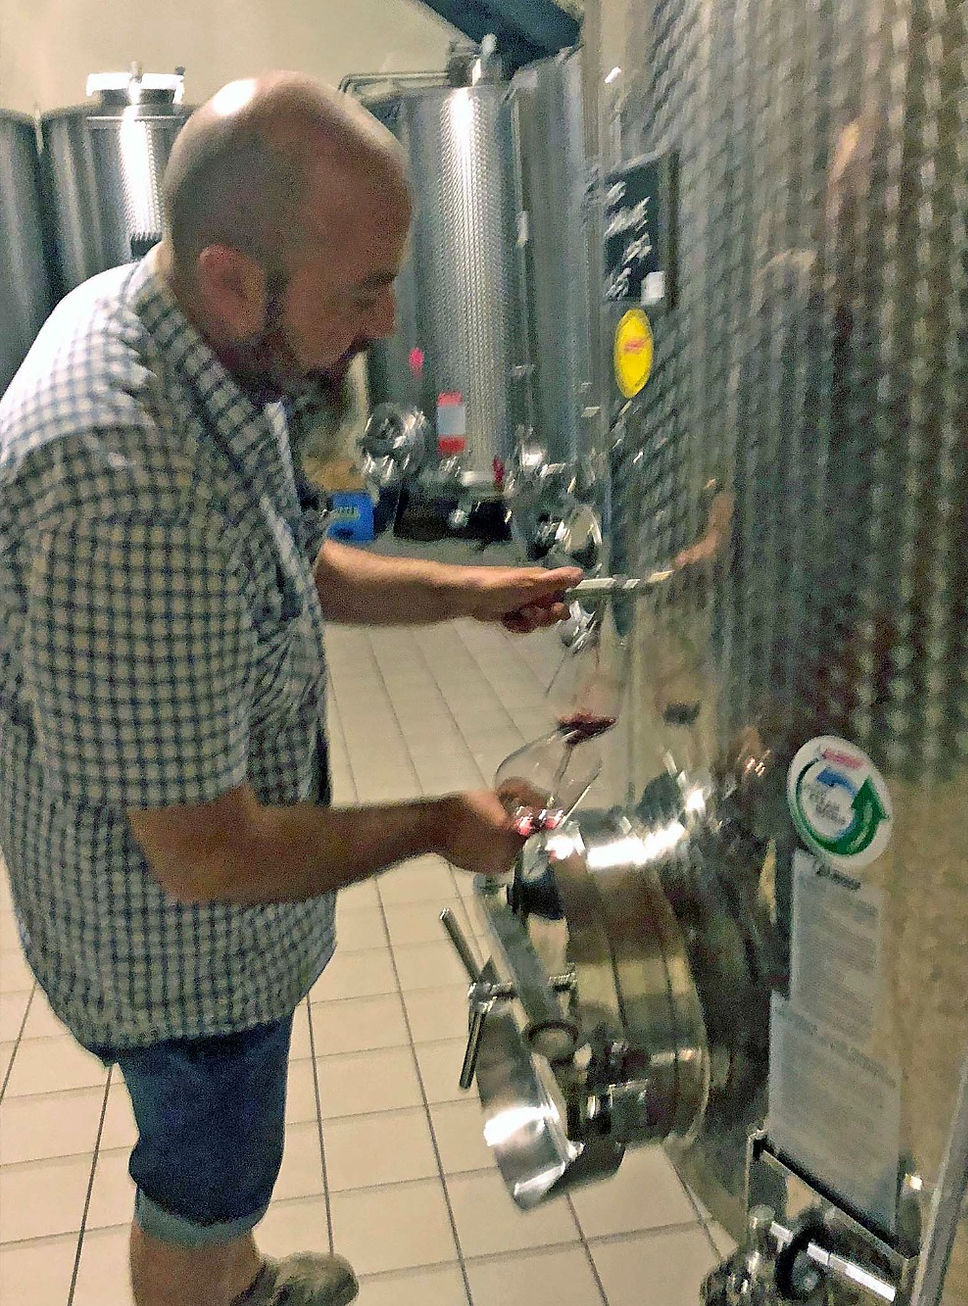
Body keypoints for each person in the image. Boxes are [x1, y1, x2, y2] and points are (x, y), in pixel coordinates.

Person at [0, 72, 580, 1306]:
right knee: (201, 1169)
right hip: (172, 952)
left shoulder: (212, 342)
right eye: (360, 292)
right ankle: (205, 1275)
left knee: (231, 1167)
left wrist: (467, 592)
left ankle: (241, 1276)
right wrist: (437, 824)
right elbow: (206, 857)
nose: (383, 323)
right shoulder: (126, 484)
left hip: (207, 907)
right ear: (231, 275)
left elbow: (288, 555)